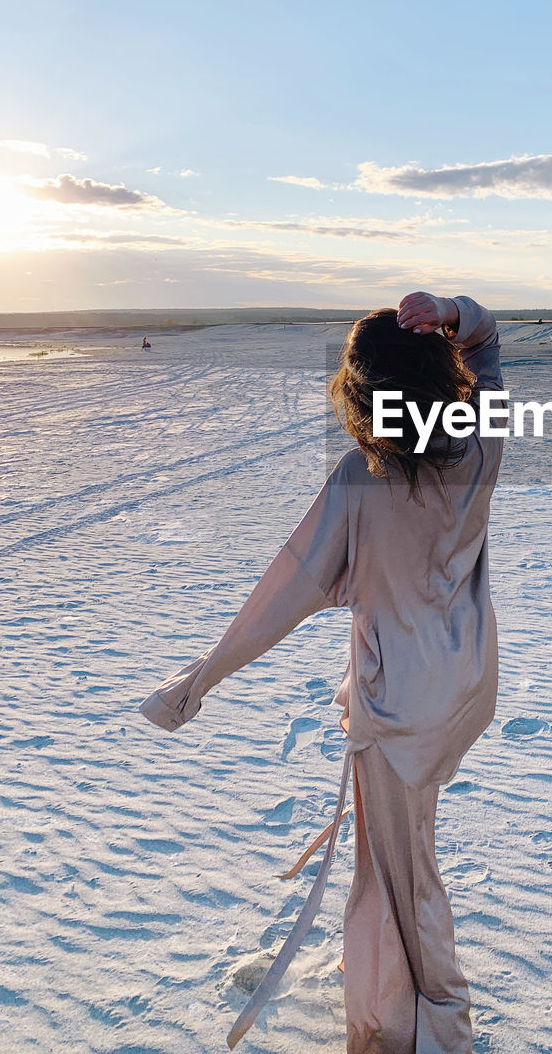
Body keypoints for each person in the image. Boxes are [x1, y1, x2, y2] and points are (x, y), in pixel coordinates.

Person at [138, 291, 504, 1054]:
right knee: (404, 859)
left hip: (400, 711)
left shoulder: (359, 481)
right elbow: (490, 343)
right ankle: (404, 995)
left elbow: (283, 596)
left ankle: (432, 1028)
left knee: (403, 878)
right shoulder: (478, 441)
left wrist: (196, 682)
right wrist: (450, 311)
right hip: (462, 691)